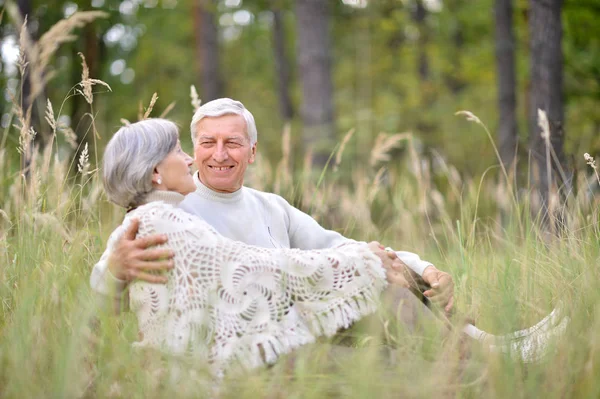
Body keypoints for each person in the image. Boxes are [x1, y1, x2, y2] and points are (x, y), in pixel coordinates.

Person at [92, 118, 423, 376]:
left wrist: (386, 262)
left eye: (232, 143)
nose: (191, 159)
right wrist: (360, 261)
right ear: (155, 172)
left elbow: (325, 244)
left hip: (228, 356)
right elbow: (254, 265)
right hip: (219, 368)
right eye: (180, 151)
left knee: (380, 333)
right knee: (379, 364)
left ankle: (460, 355)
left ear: (251, 151)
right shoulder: (161, 222)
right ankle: (459, 365)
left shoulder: (146, 219)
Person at [98, 98, 455, 315]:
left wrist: (423, 268)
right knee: (384, 291)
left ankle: (479, 346)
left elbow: (339, 244)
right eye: (207, 143)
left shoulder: (272, 206)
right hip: (259, 340)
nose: (217, 155)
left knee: (390, 285)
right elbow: (108, 278)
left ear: (252, 152)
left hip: (297, 321)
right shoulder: (169, 215)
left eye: (232, 143)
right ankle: (478, 356)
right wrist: (114, 270)